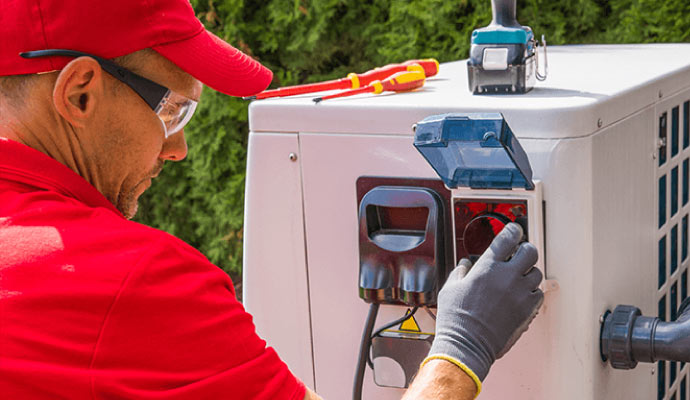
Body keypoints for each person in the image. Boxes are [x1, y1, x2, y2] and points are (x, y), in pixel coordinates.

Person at [0, 0, 544, 399]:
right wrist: (458, 351)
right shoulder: (130, 280)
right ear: (79, 93)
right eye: (171, 112)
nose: (179, 148)